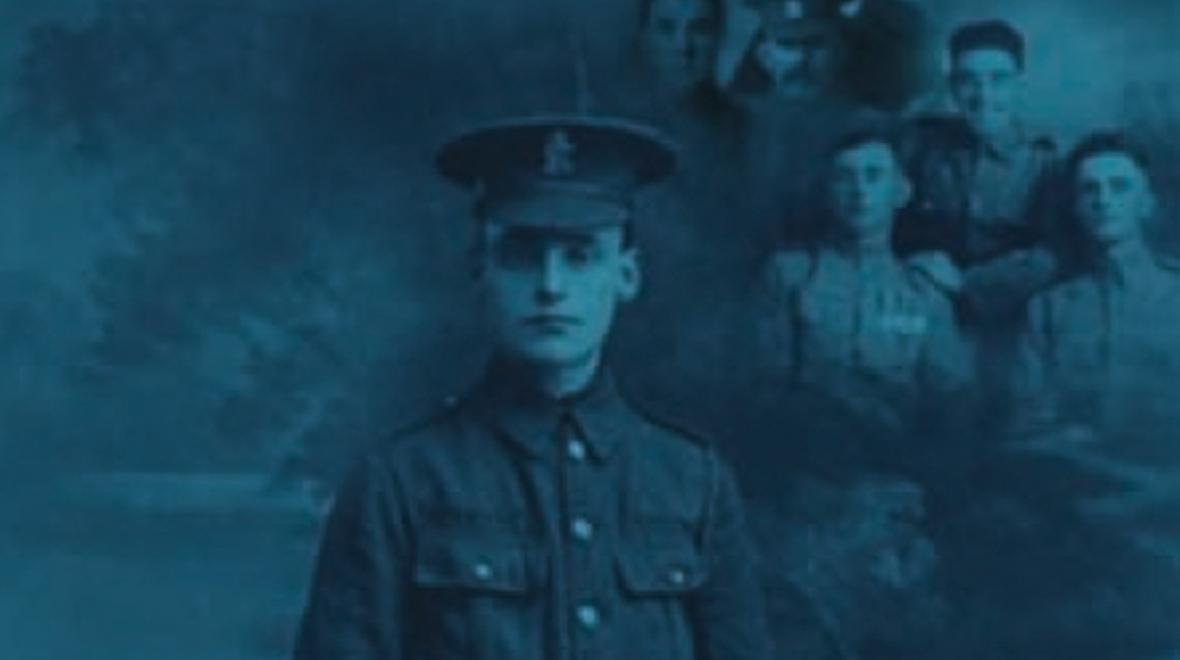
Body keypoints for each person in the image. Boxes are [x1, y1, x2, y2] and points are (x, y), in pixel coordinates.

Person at [292, 117, 770, 660]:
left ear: (626, 275)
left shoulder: (693, 483)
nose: (551, 286)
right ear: (480, 271)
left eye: (580, 256)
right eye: (521, 254)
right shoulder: (399, 485)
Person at [894, 19, 1061, 319]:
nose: (983, 96)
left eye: (999, 80)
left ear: (1020, 84)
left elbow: (1056, 252)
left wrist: (966, 283)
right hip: (923, 298)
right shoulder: (921, 145)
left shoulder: (1045, 160)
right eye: (968, 81)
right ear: (951, 87)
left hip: (1012, 312)